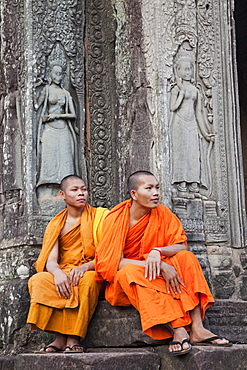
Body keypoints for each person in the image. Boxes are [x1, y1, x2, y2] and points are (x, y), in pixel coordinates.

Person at [95, 171, 231, 356]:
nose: (156, 193)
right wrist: (160, 266)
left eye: (157, 187)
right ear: (134, 194)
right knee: (128, 274)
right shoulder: (116, 218)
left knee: (187, 258)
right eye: (149, 188)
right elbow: (112, 263)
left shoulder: (163, 213)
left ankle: (198, 328)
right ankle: (178, 329)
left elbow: (181, 246)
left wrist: (157, 252)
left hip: (156, 269)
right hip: (128, 276)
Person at [27, 175, 108, 353]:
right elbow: (51, 260)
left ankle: (73, 337)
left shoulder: (101, 217)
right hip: (65, 271)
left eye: (84, 189)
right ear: (63, 195)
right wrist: (57, 274)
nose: (81, 193)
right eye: (75, 190)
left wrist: (86, 266)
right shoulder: (57, 223)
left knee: (87, 280)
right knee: (38, 280)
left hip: (93, 269)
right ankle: (59, 337)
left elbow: (109, 254)